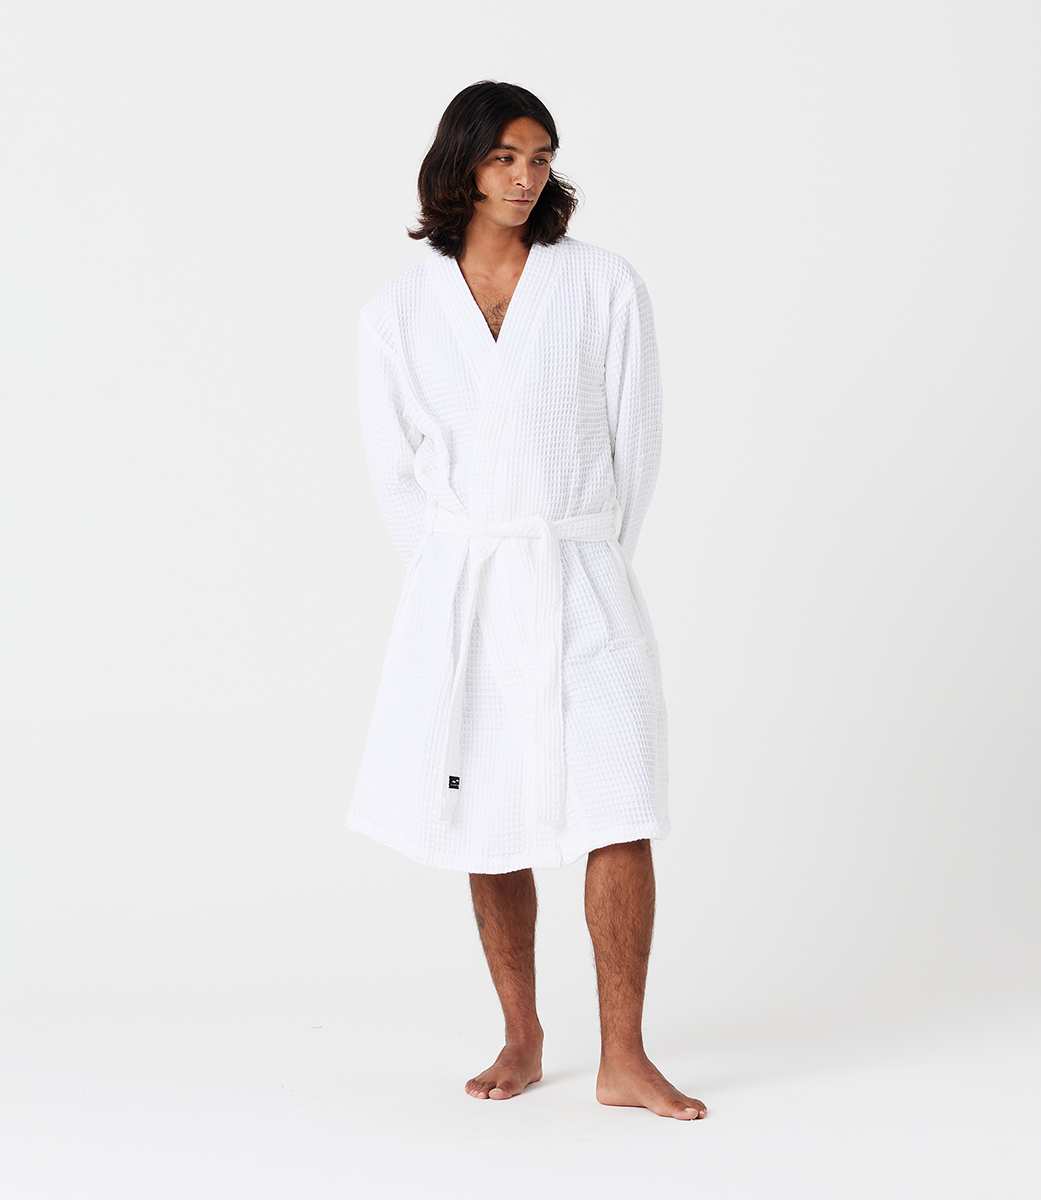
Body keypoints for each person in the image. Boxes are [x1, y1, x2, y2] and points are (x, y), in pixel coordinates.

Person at [347, 81, 706, 1120]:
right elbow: (395, 477)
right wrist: (456, 574)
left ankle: (624, 1055)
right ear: (461, 165)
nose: (525, 177)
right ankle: (522, 1031)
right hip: (466, 589)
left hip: (580, 570)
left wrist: (588, 558)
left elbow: (637, 444)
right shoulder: (398, 311)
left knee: (621, 803)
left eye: (540, 158)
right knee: (486, 815)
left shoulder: (602, 285)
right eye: (505, 157)